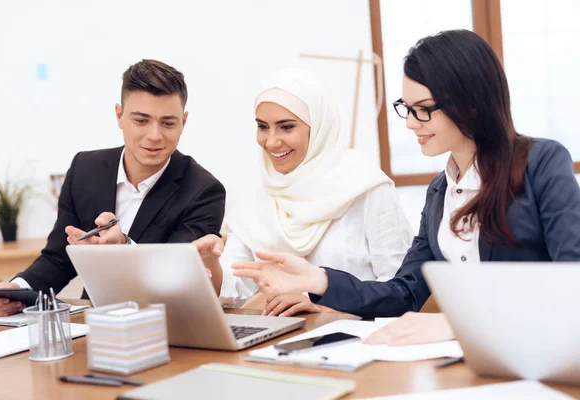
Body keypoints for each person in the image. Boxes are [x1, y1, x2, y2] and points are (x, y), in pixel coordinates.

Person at [231, 29, 580, 343]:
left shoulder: (541, 163)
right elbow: (403, 294)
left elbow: (572, 284)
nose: (411, 123)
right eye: (406, 108)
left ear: (471, 105)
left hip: (542, 356)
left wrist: (458, 326)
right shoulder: (440, 191)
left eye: (423, 109)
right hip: (475, 360)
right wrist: (318, 280)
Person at [0, 59, 226, 317]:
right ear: (119, 115)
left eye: (168, 123)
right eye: (142, 121)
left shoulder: (204, 191)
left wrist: (123, 247)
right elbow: (59, 258)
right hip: (95, 324)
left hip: (165, 327)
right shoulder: (85, 169)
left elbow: (174, 278)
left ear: (183, 122)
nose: (155, 135)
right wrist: (16, 290)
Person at [193, 68, 413, 316]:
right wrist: (209, 262)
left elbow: (398, 289)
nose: (272, 141)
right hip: (282, 340)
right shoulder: (258, 194)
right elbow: (234, 287)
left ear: (317, 127)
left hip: (357, 339)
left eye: (286, 127)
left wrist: (323, 302)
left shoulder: (365, 186)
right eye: (263, 127)